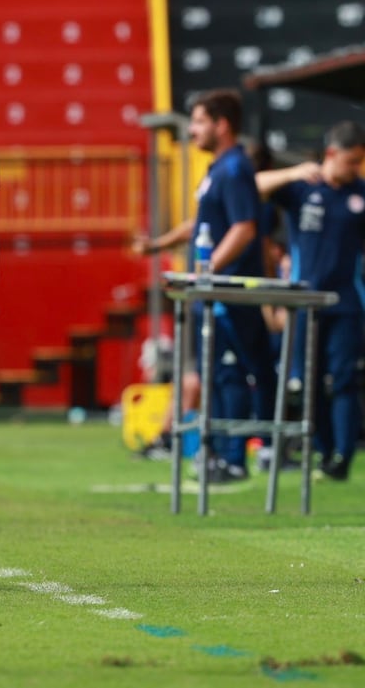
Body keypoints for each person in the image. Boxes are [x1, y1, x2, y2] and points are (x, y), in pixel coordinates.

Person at [134, 89, 273, 483]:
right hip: (212, 291)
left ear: (221, 125)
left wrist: (208, 270)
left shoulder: (235, 168)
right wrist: (158, 245)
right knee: (217, 374)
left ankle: (243, 455)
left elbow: (244, 228)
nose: (192, 130)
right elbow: (202, 224)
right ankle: (222, 455)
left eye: (198, 122)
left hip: (228, 292)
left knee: (236, 372)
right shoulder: (218, 169)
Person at [256, 121, 365, 481]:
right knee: (308, 381)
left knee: (345, 379)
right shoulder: (303, 187)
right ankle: (323, 449)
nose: (356, 168)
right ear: (332, 153)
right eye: (352, 161)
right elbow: (252, 186)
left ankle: (342, 457)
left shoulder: (360, 194)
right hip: (305, 303)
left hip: (347, 302)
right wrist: (292, 172)